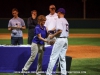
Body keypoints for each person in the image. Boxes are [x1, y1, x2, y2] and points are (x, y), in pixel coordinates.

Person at [46, 8, 69, 75]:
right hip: (65, 40)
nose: (57, 14)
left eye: (57, 13)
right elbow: (57, 29)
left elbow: (60, 31)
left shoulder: (59, 20)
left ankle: (48, 73)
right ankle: (64, 73)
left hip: (60, 40)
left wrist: (52, 36)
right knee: (62, 58)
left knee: (53, 57)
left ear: (59, 12)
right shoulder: (65, 21)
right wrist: (50, 30)